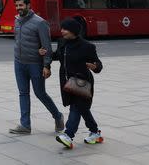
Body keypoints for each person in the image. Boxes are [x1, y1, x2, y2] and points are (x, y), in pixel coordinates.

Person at [40, 19, 104, 149]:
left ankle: (68, 135)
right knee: (83, 109)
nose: (62, 31)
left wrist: (94, 66)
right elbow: (59, 55)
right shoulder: (62, 42)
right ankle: (95, 132)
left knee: (75, 107)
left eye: (65, 29)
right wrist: (47, 54)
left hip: (82, 83)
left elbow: (98, 65)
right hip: (67, 82)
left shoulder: (87, 46)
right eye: (62, 28)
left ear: (74, 31)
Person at [9, 0, 65, 135]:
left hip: (35, 64)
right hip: (19, 63)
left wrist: (47, 65)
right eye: (16, 6)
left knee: (40, 93)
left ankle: (58, 116)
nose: (18, 8)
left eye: (21, 5)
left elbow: (46, 46)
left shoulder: (40, 23)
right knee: (23, 93)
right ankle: (25, 125)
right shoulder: (17, 21)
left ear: (28, 5)